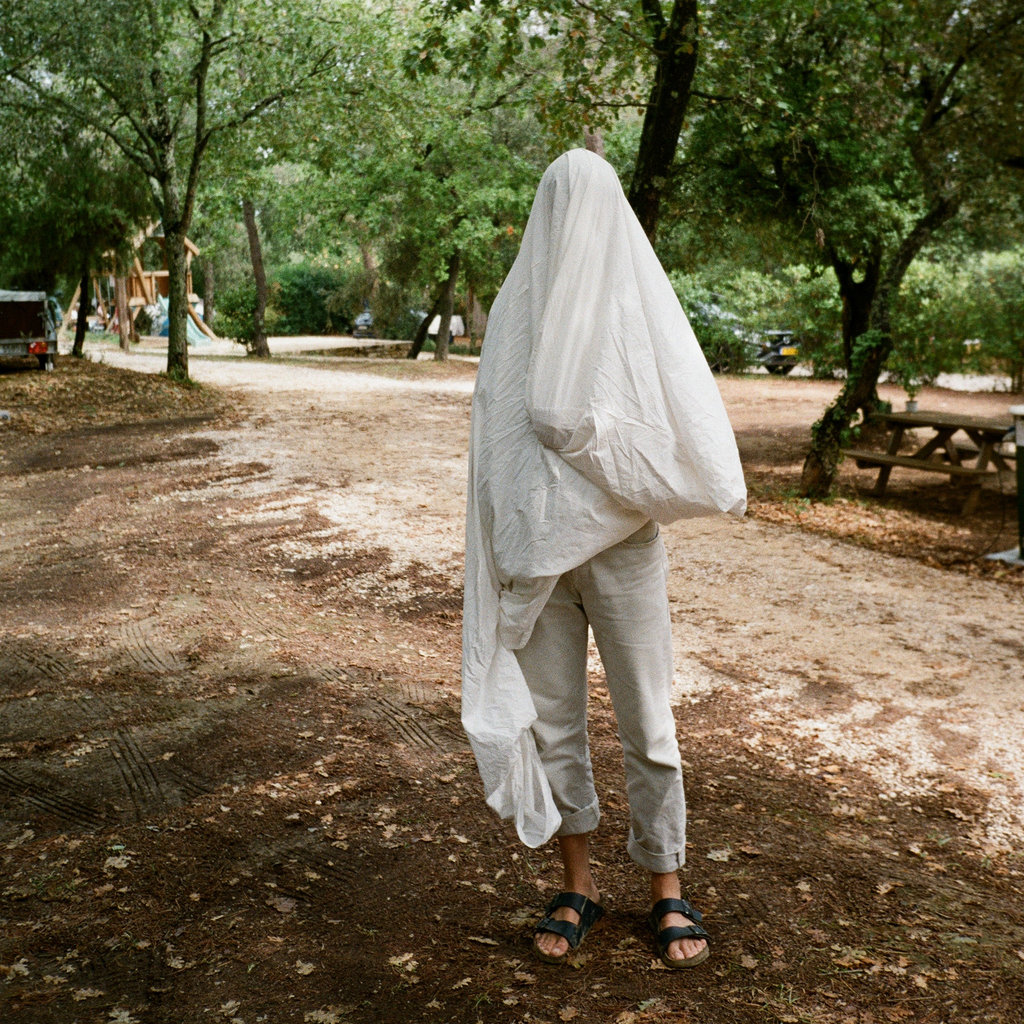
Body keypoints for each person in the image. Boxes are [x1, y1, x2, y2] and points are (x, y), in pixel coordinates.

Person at [462, 149, 746, 968]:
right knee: (556, 727)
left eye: (582, 201)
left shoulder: (635, 306)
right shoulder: (518, 311)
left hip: (623, 551)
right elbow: (497, 439)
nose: (570, 218)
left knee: (649, 724)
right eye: (557, 200)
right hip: (541, 559)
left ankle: (667, 886)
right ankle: (577, 884)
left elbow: (666, 423)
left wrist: (583, 435)